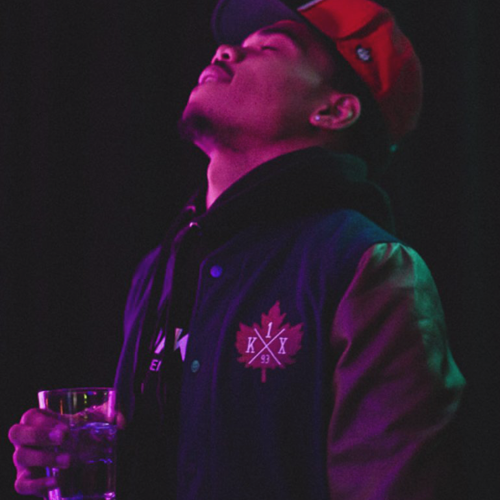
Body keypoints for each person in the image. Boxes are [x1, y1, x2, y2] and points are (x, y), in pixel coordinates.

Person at [9, 0, 466, 499]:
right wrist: (86, 458)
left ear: (334, 110)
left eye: (269, 48)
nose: (225, 51)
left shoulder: (368, 266)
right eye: (237, 44)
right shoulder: (160, 268)